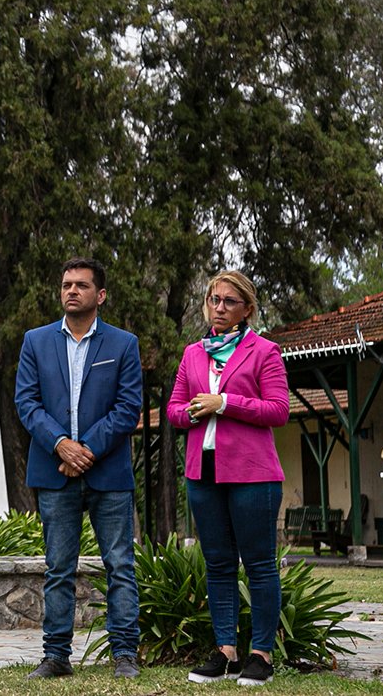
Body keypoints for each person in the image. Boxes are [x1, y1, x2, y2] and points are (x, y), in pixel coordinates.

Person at [13, 257, 143, 680]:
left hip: (108, 473)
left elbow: (128, 409)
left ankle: (125, 654)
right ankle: (56, 657)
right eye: (66, 284)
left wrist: (85, 450)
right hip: (54, 471)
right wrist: (61, 446)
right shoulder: (35, 341)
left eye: (81, 285)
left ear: (99, 295)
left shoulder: (123, 344)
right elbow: (26, 403)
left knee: (120, 564)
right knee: (58, 568)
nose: (71, 290)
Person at [167, 270, 289, 687]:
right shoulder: (193, 354)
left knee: (258, 565)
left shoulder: (265, 351)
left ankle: (261, 655)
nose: (218, 308)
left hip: (253, 474)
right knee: (218, 564)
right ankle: (224, 652)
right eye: (214, 300)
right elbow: (174, 409)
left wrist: (225, 402)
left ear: (247, 309)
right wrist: (193, 412)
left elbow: (278, 410)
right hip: (204, 472)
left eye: (229, 302)